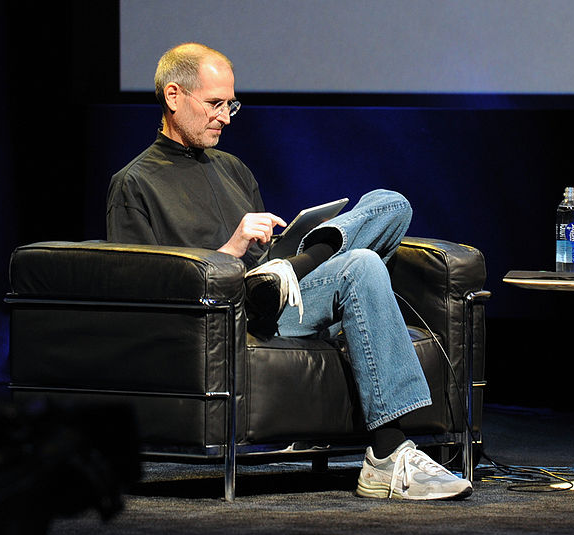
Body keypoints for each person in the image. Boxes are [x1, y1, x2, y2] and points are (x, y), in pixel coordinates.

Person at [106, 42, 472, 500]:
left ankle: (296, 264)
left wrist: (281, 254)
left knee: (391, 203)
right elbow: (146, 289)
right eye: (215, 104)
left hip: (283, 294)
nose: (226, 116)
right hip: (229, 311)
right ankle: (388, 455)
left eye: (231, 104)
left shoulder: (233, 168)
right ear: (174, 96)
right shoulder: (134, 183)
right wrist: (231, 251)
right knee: (360, 263)